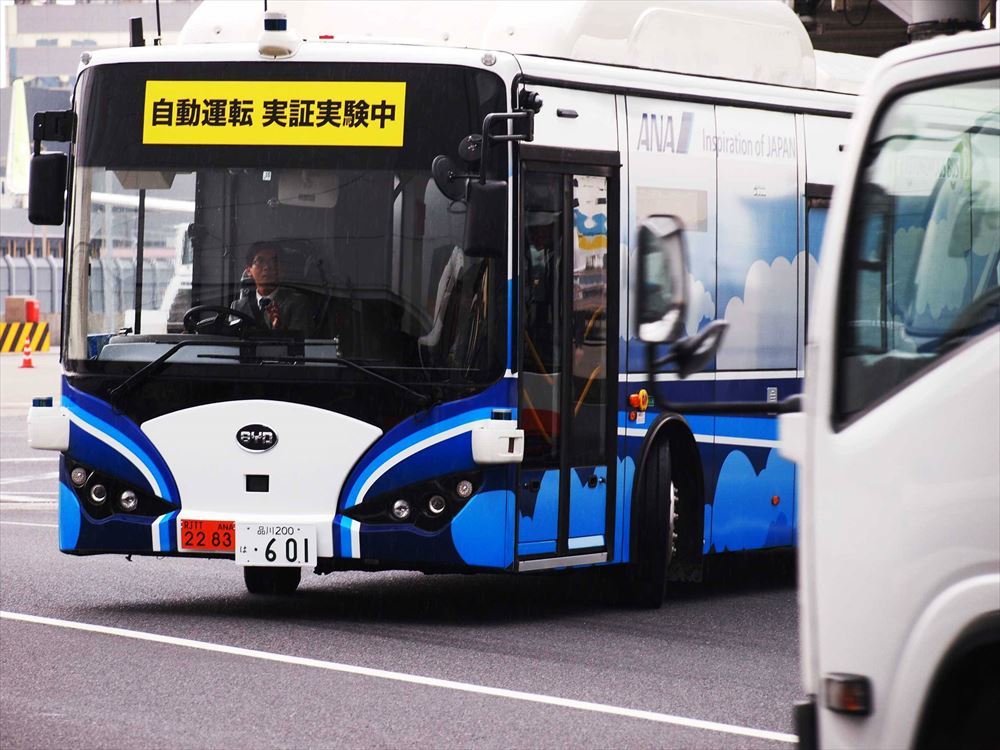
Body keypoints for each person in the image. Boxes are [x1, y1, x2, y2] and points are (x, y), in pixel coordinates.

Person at [231, 241, 313, 334]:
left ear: (282, 268)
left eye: (273, 261)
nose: (266, 267)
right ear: (249, 270)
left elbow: (300, 344)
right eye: (260, 261)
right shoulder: (238, 307)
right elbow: (231, 342)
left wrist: (277, 329)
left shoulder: (297, 303)